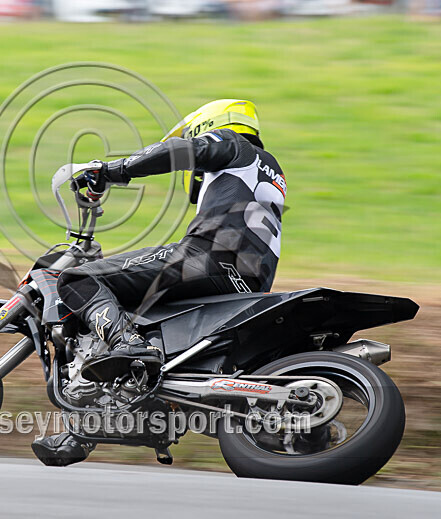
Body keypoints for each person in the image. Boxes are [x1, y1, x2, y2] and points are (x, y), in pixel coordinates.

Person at [31, 99, 287, 467]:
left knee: (77, 279)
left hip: (210, 256)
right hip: (248, 280)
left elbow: (183, 150)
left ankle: (127, 346)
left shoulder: (235, 143)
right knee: (137, 317)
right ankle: (84, 428)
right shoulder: (265, 172)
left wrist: (111, 170)